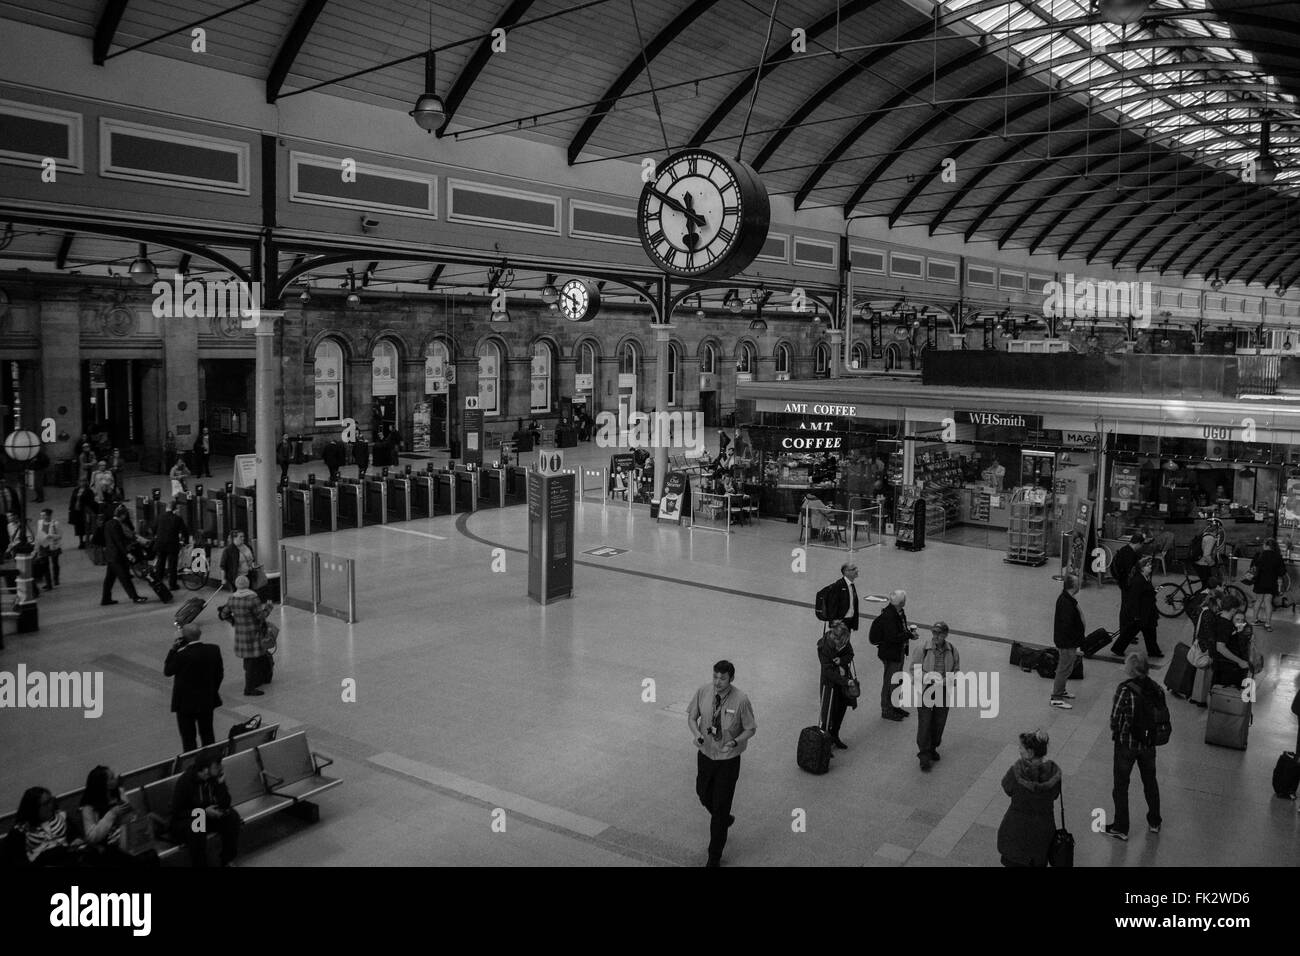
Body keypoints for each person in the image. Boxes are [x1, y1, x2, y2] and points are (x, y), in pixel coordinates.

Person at [686, 660, 756, 868]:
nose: (717, 682)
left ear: (731, 679)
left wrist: (735, 741)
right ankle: (724, 819)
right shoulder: (703, 691)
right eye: (715, 676)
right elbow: (691, 718)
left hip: (728, 760)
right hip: (706, 754)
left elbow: (751, 728)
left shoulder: (741, 700)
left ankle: (714, 857)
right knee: (702, 792)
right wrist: (697, 734)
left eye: (722, 678)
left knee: (720, 807)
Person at [1103, 652, 1164, 841]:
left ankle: (1121, 827)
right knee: (1150, 782)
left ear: (1132, 669)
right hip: (1148, 745)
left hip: (1126, 744)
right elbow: (1161, 716)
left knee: (1121, 785)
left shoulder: (1125, 690)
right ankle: (1154, 821)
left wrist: (1116, 732)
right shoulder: (1157, 689)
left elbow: (1115, 717)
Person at [995, 730, 1061, 867]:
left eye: (1021, 747)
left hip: (1016, 831)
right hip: (1043, 831)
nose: (1019, 750)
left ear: (1030, 752)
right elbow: (1055, 795)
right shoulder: (1053, 774)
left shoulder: (1016, 772)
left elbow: (1007, 788)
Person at [78, 766, 159, 866]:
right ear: (104, 784)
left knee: (150, 854)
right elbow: (92, 837)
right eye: (111, 778)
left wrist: (131, 815)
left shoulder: (119, 794)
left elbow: (131, 818)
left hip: (126, 838)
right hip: (107, 846)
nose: (115, 779)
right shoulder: (89, 808)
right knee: (136, 859)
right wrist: (111, 814)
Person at [170, 752, 241, 867]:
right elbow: (177, 812)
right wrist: (203, 812)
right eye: (216, 766)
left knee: (232, 816)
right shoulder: (186, 781)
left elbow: (225, 803)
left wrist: (221, 784)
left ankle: (227, 859)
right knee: (198, 826)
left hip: (207, 816)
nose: (220, 768)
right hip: (187, 821)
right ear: (205, 769)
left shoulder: (214, 778)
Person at [165, 623, 225, 751]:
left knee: (188, 738)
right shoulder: (214, 650)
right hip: (207, 700)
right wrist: (212, 690)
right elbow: (219, 674)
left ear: (184, 637)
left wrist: (173, 650)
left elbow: (168, 671)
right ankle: (210, 761)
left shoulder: (181, 655)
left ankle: (191, 763)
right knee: (208, 734)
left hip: (185, 704)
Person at [910, 622, 959, 771]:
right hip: (926, 689)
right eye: (934, 633)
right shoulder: (923, 649)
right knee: (925, 722)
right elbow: (914, 670)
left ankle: (933, 747)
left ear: (945, 635)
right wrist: (929, 678)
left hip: (943, 690)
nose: (936, 636)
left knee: (939, 722)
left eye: (939, 634)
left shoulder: (952, 650)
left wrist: (949, 680)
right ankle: (924, 755)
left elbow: (956, 670)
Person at [220, 574, 274, 696]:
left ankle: (255, 681)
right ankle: (249, 688)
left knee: (248, 658)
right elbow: (261, 617)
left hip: (240, 634)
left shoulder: (232, 598)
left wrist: (233, 622)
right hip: (253, 633)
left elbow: (223, 615)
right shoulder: (252, 598)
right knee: (252, 661)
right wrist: (269, 608)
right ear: (248, 584)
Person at [870, 589, 914, 721]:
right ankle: (887, 709)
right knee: (890, 682)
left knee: (896, 680)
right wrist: (909, 635)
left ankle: (894, 705)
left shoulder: (898, 612)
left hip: (897, 652)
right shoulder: (890, 616)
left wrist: (907, 634)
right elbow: (892, 637)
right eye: (904, 600)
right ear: (901, 602)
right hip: (891, 654)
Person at [13, 787, 84, 866]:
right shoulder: (20, 830)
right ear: (34, 808)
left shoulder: (62, 816)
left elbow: (76, 835)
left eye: (51, 800)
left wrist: (77, 840)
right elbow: (16, 860)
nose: (51, 805)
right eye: (46, 803)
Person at [817, 622, 856, 751]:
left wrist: (842, 660)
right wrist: (845, 682)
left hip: (842, 683)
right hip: (830, 685)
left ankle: (835, 735)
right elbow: (828, 671)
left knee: (841, 709)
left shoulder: (844, 642)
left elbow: (850, 654)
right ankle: (824, 743)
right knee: (827, 713)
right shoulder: (824, 646)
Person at [1112, 555, 1161, 658]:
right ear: (1142, 568)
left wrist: (1153, 591)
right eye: (1148, 565)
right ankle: (1118, 648)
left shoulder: (1144, 578)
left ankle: (1153, 652)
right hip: (1141, 613)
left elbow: (1145, 594)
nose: (1150, 567)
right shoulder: (1138, 581)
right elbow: (1133, 599)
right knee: (1133, 632)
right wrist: (1135, 614)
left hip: (1147, 612)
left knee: (1148, 632)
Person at [101, 505, 147, 606]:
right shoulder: (117, 524)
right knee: (125, 578)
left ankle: (105, 599)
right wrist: (127, 554)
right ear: (123, 515)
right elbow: (119, 542)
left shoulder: (108, 523)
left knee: (109, 579)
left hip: (110, 555)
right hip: (117, 557)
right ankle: (135, 597)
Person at [1051, 574, 1084, 709]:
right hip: (1067, 642)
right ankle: (1056, 697)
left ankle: (1061, 690)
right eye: (1078, 583)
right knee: (1063, 669)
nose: (1079, 584)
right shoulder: (1066, 602)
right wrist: (1075, 640)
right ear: (1074, 586)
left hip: (1069, 641)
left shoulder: (1068, 599)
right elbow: (1067, 625)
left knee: (1067, 667)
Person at [1211, 605, 1254, 690]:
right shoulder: (1227, 629)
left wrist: (1242, 634)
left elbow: (1244, 649)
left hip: (1238, 664)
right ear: (1232, 619)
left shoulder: (1245, 630)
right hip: (1227, 664)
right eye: (1237, 619)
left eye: (1242, 620)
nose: (1240, 622)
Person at [151, 499, 189, 591]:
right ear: (175, 509)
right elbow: (185, 531)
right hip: (172, 545)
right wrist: (186, 541)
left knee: (160, 564)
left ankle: (158, 583)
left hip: (160, 544)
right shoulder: (177, 518)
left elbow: (153, 529)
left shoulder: (159, 517)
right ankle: (172, 585)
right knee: (172, 565)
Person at [1248, 537, 1285, 632]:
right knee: (1268, 602)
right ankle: (1268, 623)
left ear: (1266, 545)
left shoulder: (1259, 555)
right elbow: (1282, 572)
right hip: (1271, 582)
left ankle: (1254, 620)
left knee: (1258, 600)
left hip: (1259, 581)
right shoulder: (1278, 556)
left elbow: (1252, 568)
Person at [819, 562, 860, 633]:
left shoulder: (851, 585)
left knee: (845, 642)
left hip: (848, 621)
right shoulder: (838, 585)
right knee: (841, 643)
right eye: (853, 569)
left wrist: (854, 623)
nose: (857, 570)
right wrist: (834, 624)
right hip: (840, 623)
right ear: (846, 572)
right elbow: (832, 606)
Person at [34, 507, 62, 592]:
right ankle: (49, 584)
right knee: (45, 565)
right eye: (41, 515)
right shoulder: (39, 523)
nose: (42, 517)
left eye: (44, 515)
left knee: (55, 563)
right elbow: (38, 534)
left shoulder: (55, 523)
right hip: (43, 545)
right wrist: (37, 546)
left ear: (49, 515)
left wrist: (51, 536)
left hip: (53, 546)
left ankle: (56, 578)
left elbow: (60, 535)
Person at [1193, 520, 1220, 588]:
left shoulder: (1204, 535)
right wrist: (1212, 564)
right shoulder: (1210, 538)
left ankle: (1202, 596)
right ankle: (1200, 597)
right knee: (1208, 585)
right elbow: (1206, 555)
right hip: (1203, 564)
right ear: (1216, 530)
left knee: (1206, 584)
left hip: (1198, 562)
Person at [69, 479, 95, 548]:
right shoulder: (76, 490)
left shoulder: (89, 491)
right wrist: (71, 509)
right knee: (79, 526)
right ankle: (81, 542)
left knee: (86, 526)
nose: (82, 483)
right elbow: (72, 500)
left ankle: (87, 541)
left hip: (85, 511)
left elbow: (91, 501)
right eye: (80, 481)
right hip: (77, 512)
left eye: (83, 481)